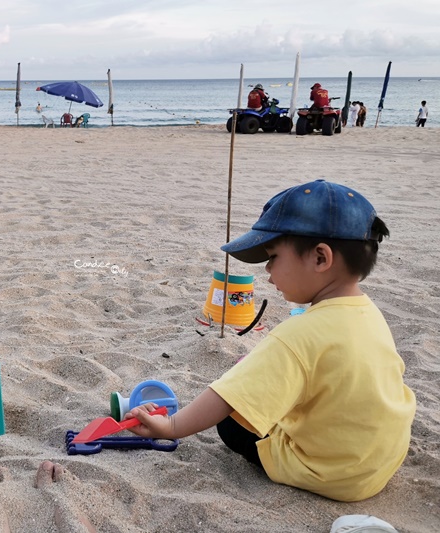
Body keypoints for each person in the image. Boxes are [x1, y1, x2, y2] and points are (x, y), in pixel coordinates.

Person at [126, 179, 416, 502]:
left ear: (321, 258)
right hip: (380, 463)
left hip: (332, 474)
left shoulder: (299, 334)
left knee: (231, 425)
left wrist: (171, 426)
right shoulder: (371, 314)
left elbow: (227, 398)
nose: (267, 270)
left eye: (273, 256)